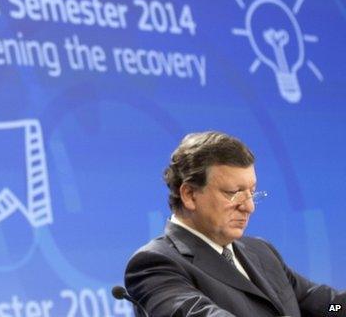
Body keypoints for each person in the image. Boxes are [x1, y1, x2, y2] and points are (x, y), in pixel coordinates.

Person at [124, 131, 345, 317]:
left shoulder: (262, 252)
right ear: (190, 195)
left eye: (252, 193)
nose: (249, 207)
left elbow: (324, 304)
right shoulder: (154, 264)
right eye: (234, 193)